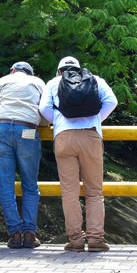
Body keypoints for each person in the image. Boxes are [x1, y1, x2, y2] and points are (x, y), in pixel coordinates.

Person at [39, 56, 117, 252]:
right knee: (94, 191)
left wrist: (58, 122)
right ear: (79, 69)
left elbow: (43, 108)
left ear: (59, 71)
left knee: (69, 192)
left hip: (64, 138)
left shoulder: (53, 83)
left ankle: (75, 240)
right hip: (90, 135)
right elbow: (112, 101)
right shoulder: (95, 79)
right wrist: (96, 119)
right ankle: (96, 239)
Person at [0, 61, 46, 249]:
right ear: (29, 73)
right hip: (27, 131)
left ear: (12, 70)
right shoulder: (38, 82)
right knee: (30, 184)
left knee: (5, 185)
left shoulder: (2, 81)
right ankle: (30, 234)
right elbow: (44, 113)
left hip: (1, 128)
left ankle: (14, 234)